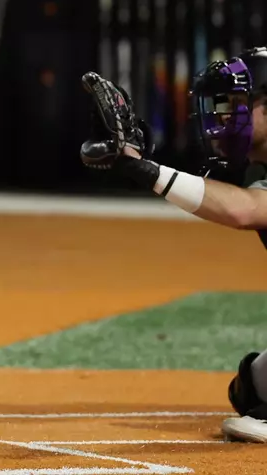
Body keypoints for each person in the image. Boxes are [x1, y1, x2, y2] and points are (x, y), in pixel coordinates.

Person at [79, 55, 267, 444]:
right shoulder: (257, 169)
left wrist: (145, 169)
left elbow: (245, 210)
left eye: (239, 104)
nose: (225, 118)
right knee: (253, 387)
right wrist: (135, 161)